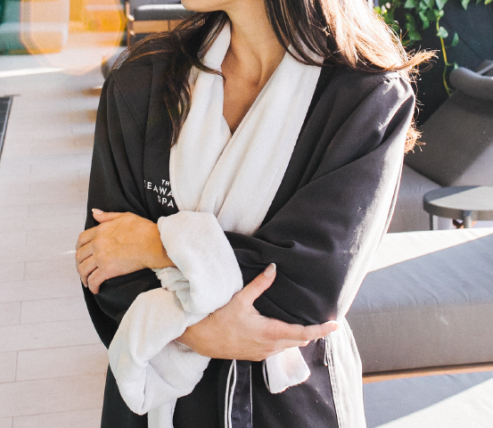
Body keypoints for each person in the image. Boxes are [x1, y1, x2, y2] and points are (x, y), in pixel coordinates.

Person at [75, 0, 432, 425]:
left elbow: (305, 293)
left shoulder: (366, 97)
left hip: (286, 406)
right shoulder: (141, 80)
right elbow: (104, 264)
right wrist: (206, 333)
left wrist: (157, 245)